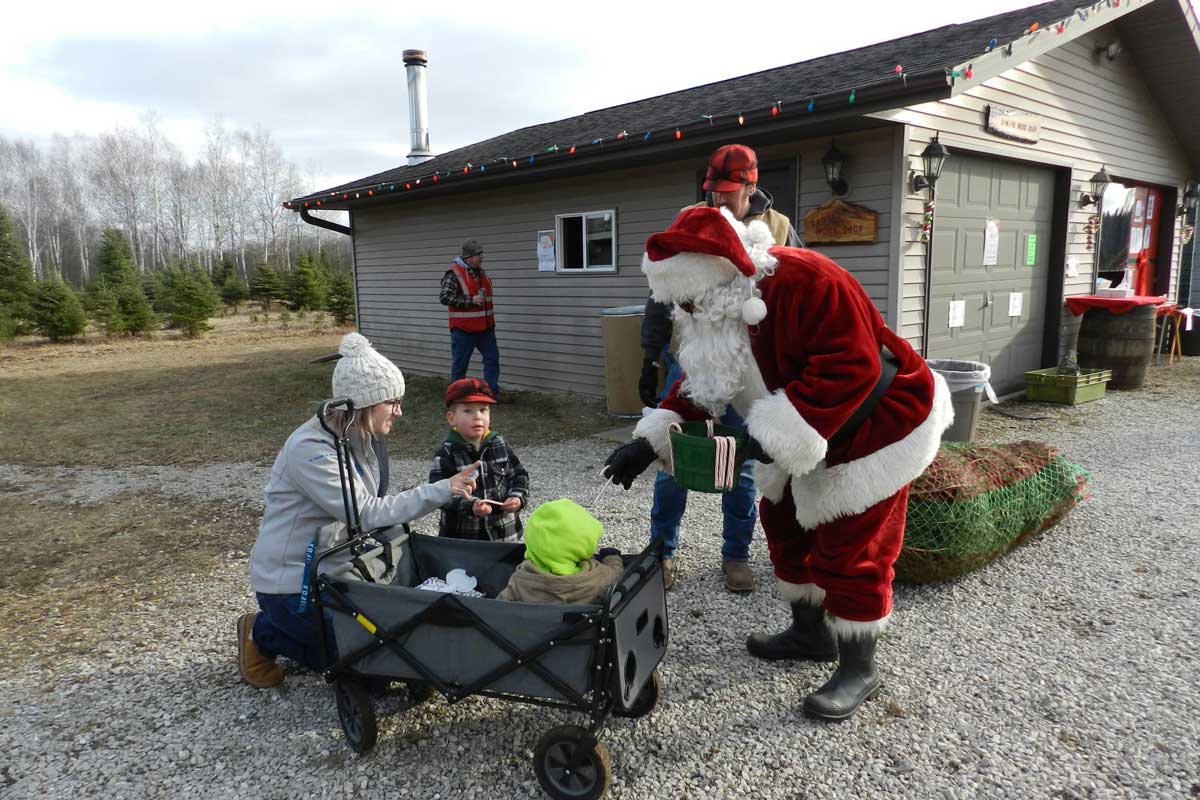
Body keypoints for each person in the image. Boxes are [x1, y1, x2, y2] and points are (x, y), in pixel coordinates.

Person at [604, 206, 952, 720]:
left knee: (852, 547)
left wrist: (765, 440)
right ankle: (810, 634)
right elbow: (708, 379)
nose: (681, 308)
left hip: (878, 426)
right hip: (799, 434)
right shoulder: (710, 307)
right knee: (783, 523)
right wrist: (651, 439)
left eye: (686, 296)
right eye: (676, 299)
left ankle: (860, 668)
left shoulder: (810, 279)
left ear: (719, 271)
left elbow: (852, 365)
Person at [237, 332, 480, 689]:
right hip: (291, 583)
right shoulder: (311, 448)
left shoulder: (358, 435)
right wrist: (444, 489)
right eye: (392, 402)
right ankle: (263, 632)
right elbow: (365, 512)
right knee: (368, 674)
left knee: (389, 656)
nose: (399, 410)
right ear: (365, 403)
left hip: (335, 570)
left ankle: (305, 632)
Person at [636, 143, 800, 593]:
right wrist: (650, 356)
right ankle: (661, 553)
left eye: (728, 191)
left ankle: (735, 556)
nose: (718, 199)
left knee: (742, 462)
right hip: (692, 357)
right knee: (672, 454)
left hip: (749, 367)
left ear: (751, 185)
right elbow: (662, 289)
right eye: (713, 190)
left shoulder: (780, 228)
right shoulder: (691, 218)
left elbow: (794, 293)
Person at [429, 377, 529, 542]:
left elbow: (520, 475)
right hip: (465, 542)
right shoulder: (446, 453)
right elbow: (440, 495)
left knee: (507, 568)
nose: (478, 417)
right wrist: (471, 506)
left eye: (483, 410)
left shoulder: (500, 444)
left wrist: (518, 497)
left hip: (506, 537)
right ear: (451, 418)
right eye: (468, 411)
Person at [496, 499, 624, 604]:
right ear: (583, 545)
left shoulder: (521, 580)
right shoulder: (595, 577)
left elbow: (500, 607)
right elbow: (617, 575)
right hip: (582, 632)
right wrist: (612, 557)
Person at [440, 239, 512, 403]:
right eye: (478, 254)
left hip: (486, 329)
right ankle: (456, 397)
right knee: (460, 365)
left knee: (492, 360)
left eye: (481, 254)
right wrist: (470, 300)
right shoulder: (454, 274)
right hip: (464, 330)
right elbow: (444, 298)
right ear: (468, 257)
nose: (481, 257)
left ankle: (492, 393)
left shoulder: (481, 273)